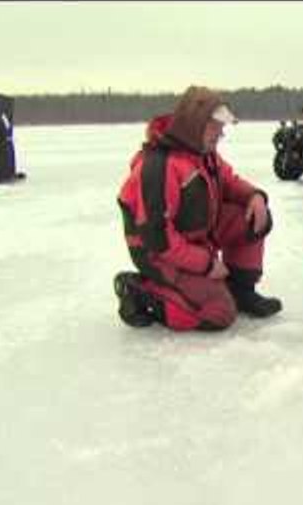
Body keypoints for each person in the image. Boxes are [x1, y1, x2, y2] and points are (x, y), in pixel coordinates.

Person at [115, 85, 282, 331]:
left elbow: (229, 181)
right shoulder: (159, 166)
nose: (221, 134)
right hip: (157, 253)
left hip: (194, 236)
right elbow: (158, 240)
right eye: (216, 127)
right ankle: (141, 291)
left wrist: (254, 196)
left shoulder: (203, 152)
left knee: (255, 217)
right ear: (196, 124)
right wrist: (206, 264)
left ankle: (241, 291)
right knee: (220, 312)